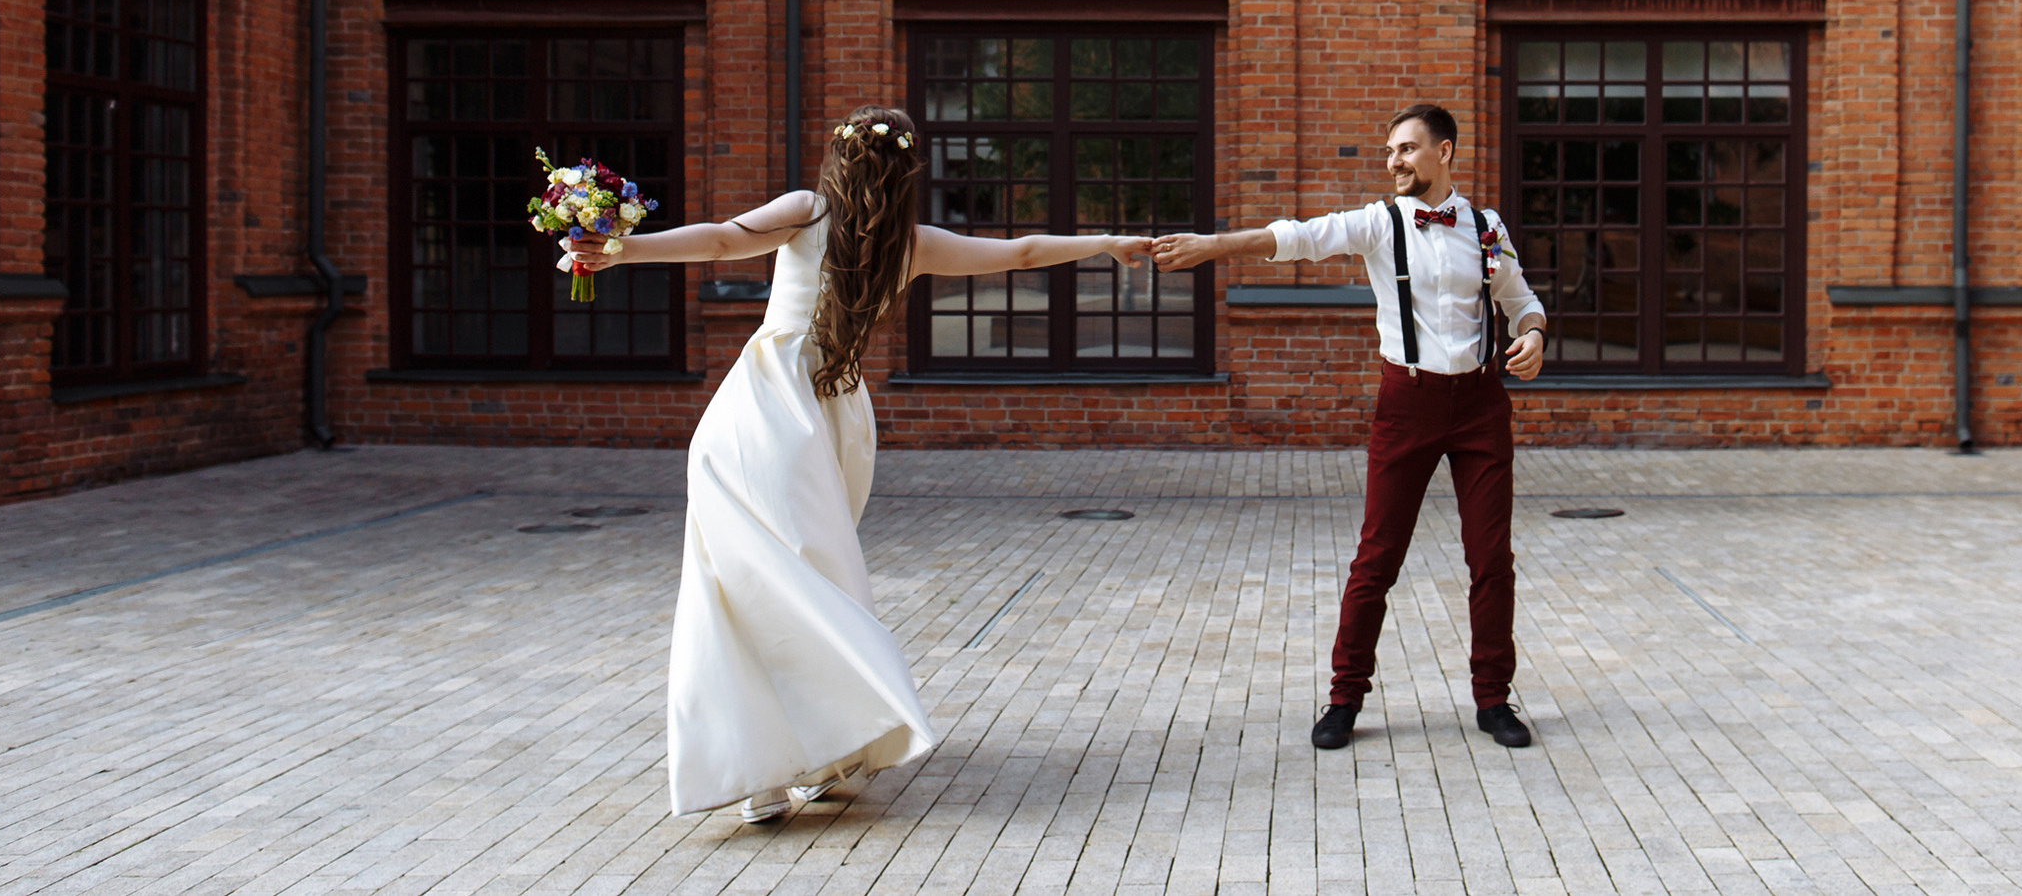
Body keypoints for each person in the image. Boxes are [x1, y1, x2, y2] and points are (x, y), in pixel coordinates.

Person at [564, 105, 1154, 823]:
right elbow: (1022, 252)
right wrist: (1110, 241)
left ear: (840, 160)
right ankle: (823, 753)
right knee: (815, 581)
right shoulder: (911, 244)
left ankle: (770, 767)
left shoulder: (807, 212)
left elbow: (721, 241)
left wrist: (624, 250)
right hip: (835, 413)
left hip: (762, 411)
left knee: (746, 584)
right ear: (907, 172)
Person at [1153, 101, 1548, 751]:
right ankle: (1344, 698)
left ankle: (1493, 699)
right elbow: (1298, 237)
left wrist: (1533, 336)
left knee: (1491, 560)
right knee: (1377, 557)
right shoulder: (1378, 224)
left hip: (1481, 406)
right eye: (1389, 151)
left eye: (1407, 149)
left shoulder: (1484, 226)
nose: (1393, 161)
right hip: (1408, 402)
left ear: (1443, 153)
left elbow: (1522, 302)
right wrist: (1213, 246)